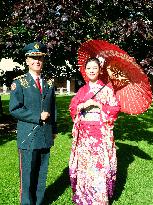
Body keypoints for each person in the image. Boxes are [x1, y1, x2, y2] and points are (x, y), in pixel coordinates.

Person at [9, 42, 57, 205]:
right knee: (28, 175)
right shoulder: (19, 83)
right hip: (28, 137)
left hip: (45, 136)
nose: (37, 61)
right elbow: (15, 109)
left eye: (40, 58)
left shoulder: (49, 83)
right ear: (27, 60)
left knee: (41, 174)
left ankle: (39, 202)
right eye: (33, 58)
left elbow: (53, 108)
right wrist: (38, 116)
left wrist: (54, 130)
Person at [69, 57, 120, 205]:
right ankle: (83, 196)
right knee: (84, 164)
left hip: (99, 133)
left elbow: (115, 109)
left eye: (94, 68)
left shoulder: (107, 90)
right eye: (89, 68)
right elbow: (73, 107)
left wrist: (97, 104)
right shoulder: (82, 90)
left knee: (98, 165)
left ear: (100, 70)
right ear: (85, 71)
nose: (91, 70)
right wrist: (79, 107)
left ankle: (99, 198)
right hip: (84, 133)